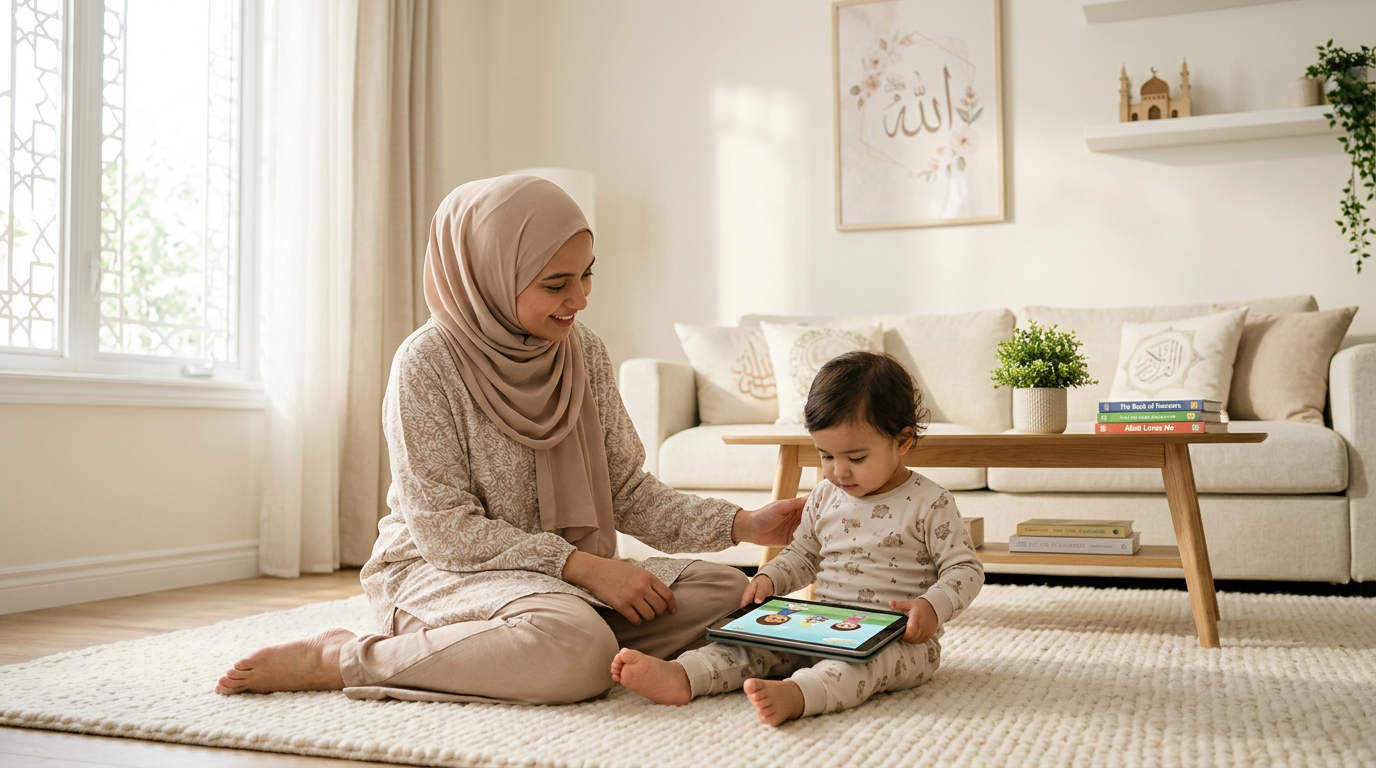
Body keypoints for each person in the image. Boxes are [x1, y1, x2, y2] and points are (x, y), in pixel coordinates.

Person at [214, 175, 803, 703]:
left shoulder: (583, 352)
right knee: (576, 651)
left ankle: (545, 638)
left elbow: (625, 489)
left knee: (734, 594)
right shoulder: (426, 364)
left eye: (587, 274)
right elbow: (446, 531)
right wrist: (582, 568)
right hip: (442, 574)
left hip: (557, 585)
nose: (581, 299)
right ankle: (342, 658)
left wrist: (746, 525)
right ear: (490, 277)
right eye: (556, 284)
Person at [611, 350, 984, 725]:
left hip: (897, 639)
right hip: (820, 626)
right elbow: (804, 556)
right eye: (826, 455)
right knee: (750, 645)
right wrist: (770, 577)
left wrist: (933, 606)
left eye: (856, 458)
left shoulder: (930, 502)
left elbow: (965, 568)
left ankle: (799, 695)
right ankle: (683, 676)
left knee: (859, 667)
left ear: (902, 441)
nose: (839, 471)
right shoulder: (824, 496)